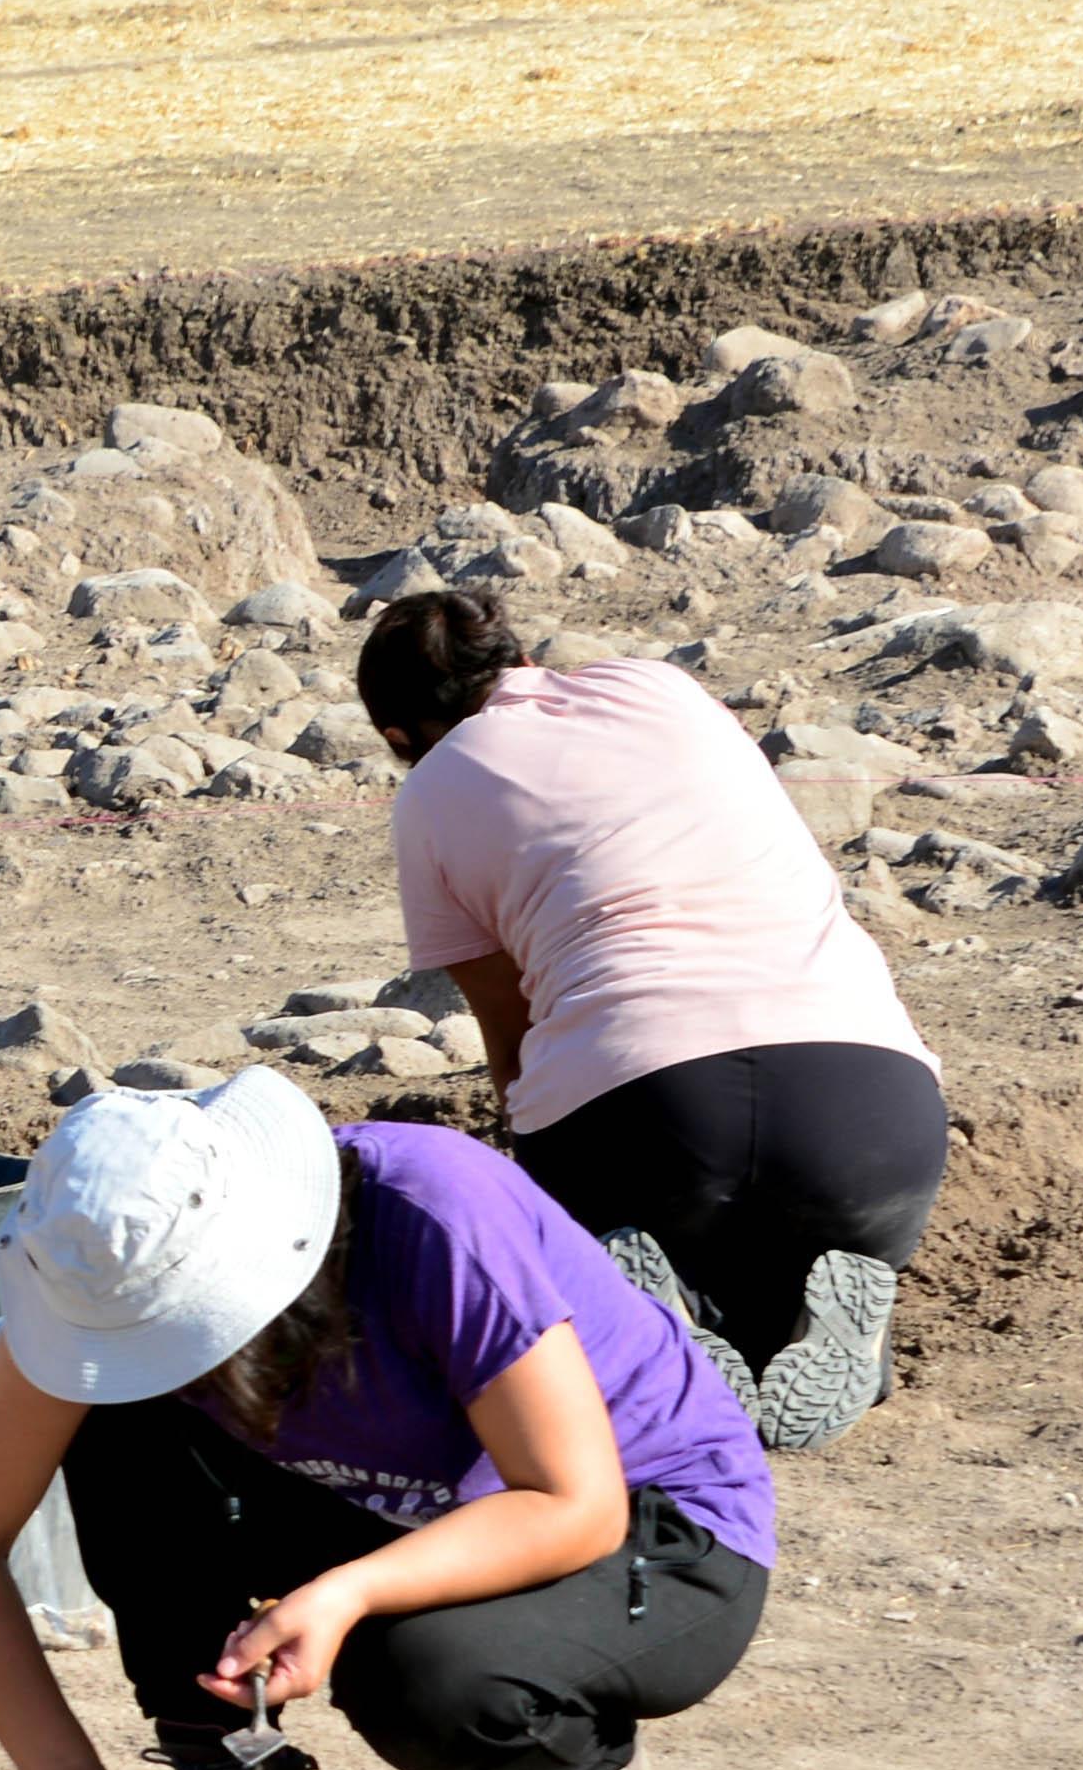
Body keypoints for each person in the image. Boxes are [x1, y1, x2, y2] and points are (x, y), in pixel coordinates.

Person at [0, 1071, 776, 1770]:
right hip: (388, 1500)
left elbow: (570, 1504)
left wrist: (347, 1593)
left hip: (647, 1526)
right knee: (108, 1414)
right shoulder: (101, 1264)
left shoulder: (434, 1211)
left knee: (424, 1683)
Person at [365, 587, 948, 1448]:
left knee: (616, 1236)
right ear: (522, 660)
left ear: (397, 737)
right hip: (878, 1114)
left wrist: (540, 1198)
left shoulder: (431, 793)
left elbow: (511, 1032)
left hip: (649, 1116)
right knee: (789, 1229)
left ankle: (650, 1322)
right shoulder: (658, 688)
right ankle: (820, 1314)